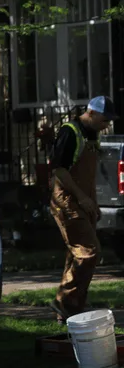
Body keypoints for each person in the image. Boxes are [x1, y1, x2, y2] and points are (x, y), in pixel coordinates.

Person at [49, 96, 118, 324]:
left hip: (85, 201)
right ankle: (65, 301)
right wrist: (81, 198)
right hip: (67, 201)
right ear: (91, 112)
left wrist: (92, 202)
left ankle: (71, 309)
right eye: (104, 119)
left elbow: (88, 174)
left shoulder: (92, 134)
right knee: (89, 251)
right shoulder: (70, 132)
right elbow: (60, 171)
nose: (106, 125)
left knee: (75, 255)